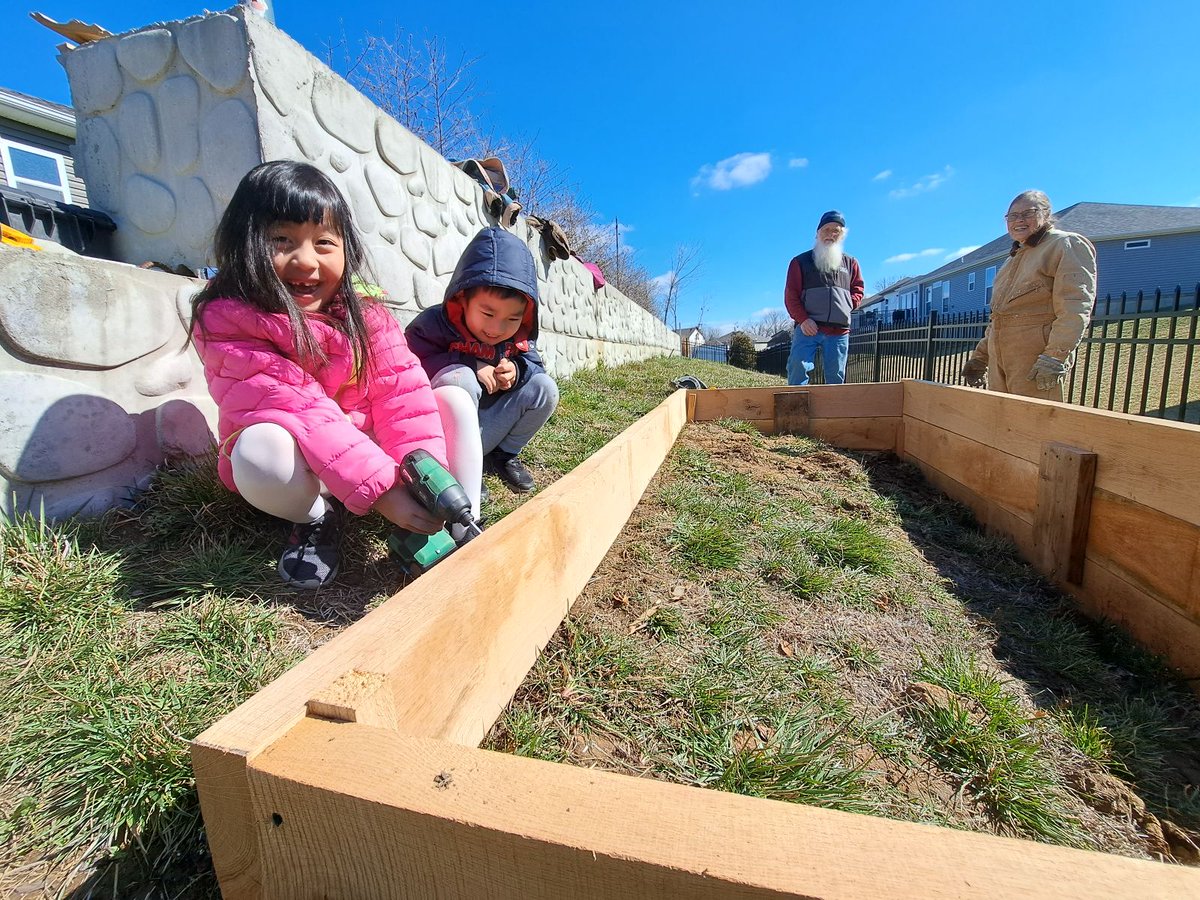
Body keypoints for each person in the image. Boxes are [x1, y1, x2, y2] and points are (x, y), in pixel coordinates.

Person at [190, 160, 481, 589]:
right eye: (281, 240)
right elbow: (302, 410)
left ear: (346, 248)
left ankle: (461, 521)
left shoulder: (368, 317)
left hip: (363, 447)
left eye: (324, 242)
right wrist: (384, 493)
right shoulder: (228, 321)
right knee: (258, 451)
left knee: (451, 399)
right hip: (301, 464)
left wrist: (424, 477)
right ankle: (315, 521)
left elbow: (402, 398)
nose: (305, 261)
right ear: (243, 244)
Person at [405, 226, 559, 494]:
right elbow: (407, 364)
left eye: (512, 319)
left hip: (486, 428)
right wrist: (469, 364)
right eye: (488, 313)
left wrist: (516, 370)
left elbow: (535, 368)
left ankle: (501, 455)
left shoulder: (518, 338)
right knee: (460, 378)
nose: (498, 328)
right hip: (441, 435)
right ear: (463, 299)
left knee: (544, 387)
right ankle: (458, 467)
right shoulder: (435, 324)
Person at [960, 191, 1097, 401]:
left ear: (1046, 213)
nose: (1019, 221)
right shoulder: (1012, 260)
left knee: (1035, 427)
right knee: (1002, 424)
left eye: (1028, 213)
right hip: (1001, 362)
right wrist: (980, 359)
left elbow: (1075, 307)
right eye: (1012, 216)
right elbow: (999, 318)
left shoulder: (1065, 245)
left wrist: (1054, 357)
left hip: (1034, 361)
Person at [783, 210, 865, 385]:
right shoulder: (800, 262)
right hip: (808, 328)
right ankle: (796, 409)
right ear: (818, 233)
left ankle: (832, 411)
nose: (831, 234)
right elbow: (791, 296)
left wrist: (848, 304)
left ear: (842, 235)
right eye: (826, 229)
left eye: (836, 230)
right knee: (798, 368)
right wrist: (804, 320)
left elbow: (858, 289)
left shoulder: (851, 263)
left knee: (836, 377)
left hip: (839, 331)